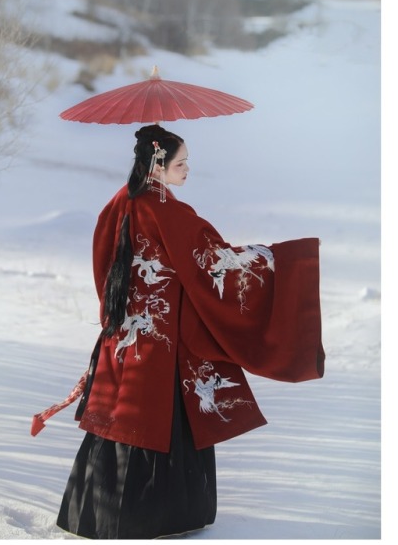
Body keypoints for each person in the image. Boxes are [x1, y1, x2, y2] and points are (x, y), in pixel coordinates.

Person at [52, 124, 324, 539]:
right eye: (181, 163)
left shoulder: (119, 202)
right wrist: (279, 259)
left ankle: (99, 513)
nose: (187, 170)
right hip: (166, 341)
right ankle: (159, 518)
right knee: (163, 415)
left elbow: (104, 266)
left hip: (126, 335)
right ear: (158, 163)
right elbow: (213, 264)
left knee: (121, 414)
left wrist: (124, 314)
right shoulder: (166, 209)